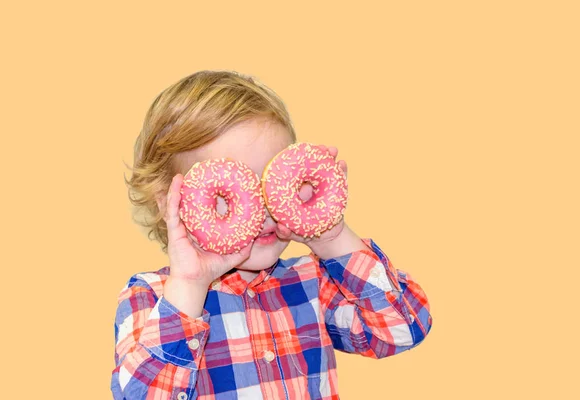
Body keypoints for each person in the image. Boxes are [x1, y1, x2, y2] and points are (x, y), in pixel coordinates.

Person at [111, 70, 432, 400]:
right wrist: (190, 284)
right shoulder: (151, 298)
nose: (263, 208)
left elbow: (403, 328)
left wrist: (330, 238)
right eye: (229, 196)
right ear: (170, 203)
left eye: (272, 183)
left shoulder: (312, 283)